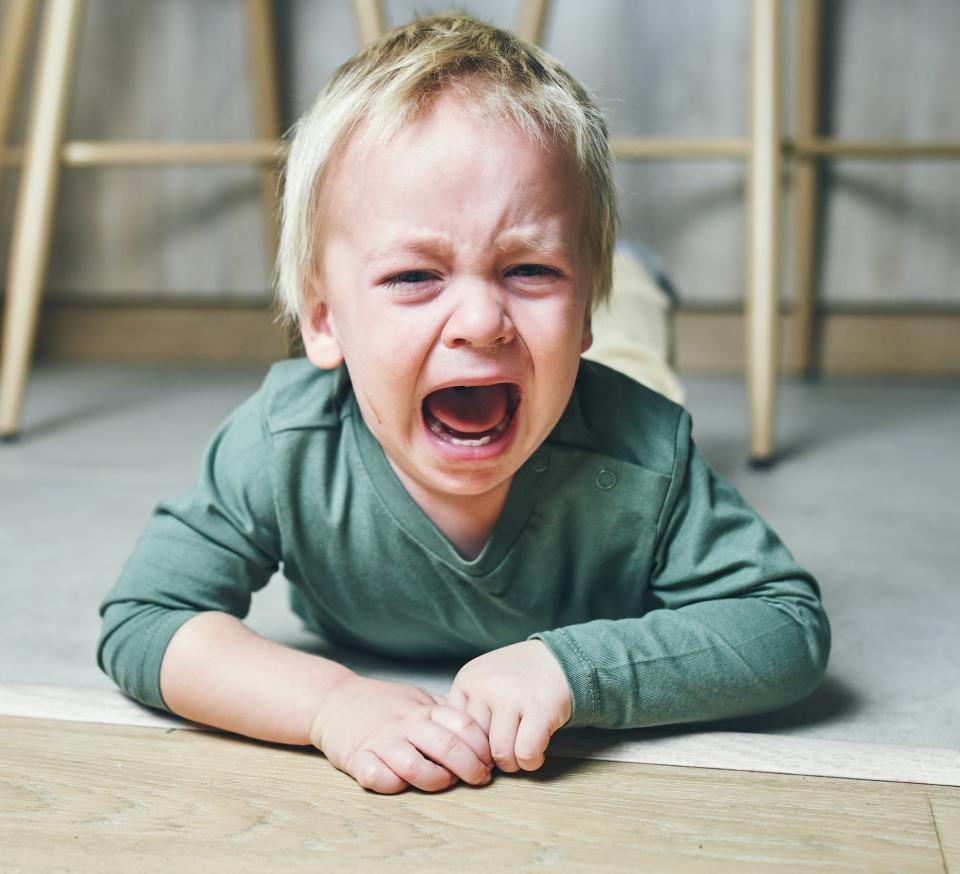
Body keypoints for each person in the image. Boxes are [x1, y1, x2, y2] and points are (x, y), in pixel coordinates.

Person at [97, 14, 829, 795]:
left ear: (583, 308)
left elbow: (783, 625)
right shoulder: (284, 444)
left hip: (601, 369)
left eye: (531, 269)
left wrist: (575, 670)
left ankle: (627, 282)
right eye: (415, 276)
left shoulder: (646, 453)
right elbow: (146, 619)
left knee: (631, 355)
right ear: (322, 320)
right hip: (557, 353)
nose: (481, 322)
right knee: (549, 342)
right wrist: (329, 703)